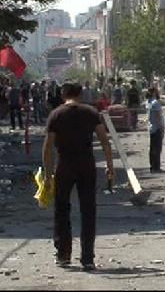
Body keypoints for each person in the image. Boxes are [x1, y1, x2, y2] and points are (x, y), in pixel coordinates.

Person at [42, 82, 114, 271]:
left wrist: (48, 174)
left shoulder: (56, 114)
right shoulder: (91, 113)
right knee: (88, 211)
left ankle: (63, 255)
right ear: (80, 94)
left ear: (63, 95)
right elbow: (105, 141)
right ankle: (87, 258)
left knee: (61, 209)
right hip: (87, 166)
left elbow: (48, 147)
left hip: (64, 165)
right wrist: (110, 166)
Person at [147, 87, 165, 173]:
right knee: (157, 148)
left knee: (152, 148)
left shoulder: (149, 102)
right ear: (154, 92)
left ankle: (152, 166)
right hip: (157, 128)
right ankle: (156, 167)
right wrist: (161, 128)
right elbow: (158, 117)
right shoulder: (156, 103)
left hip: (152, 127)